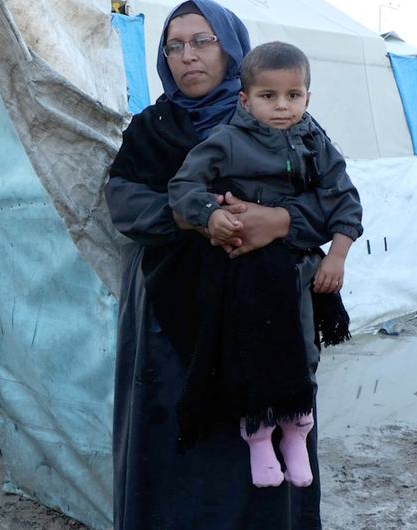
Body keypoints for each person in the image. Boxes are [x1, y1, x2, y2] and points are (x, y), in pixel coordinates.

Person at [105, 2, 331, 527]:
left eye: (202, 41)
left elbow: (332, 200)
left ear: (232, 49)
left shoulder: (278, 116)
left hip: (263, 317)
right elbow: (122, 200)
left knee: (259, 449)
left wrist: (276, 221)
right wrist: (194, 217)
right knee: (175, 446)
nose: (188, 56)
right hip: (168, 322)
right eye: (175, 45)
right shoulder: (152, 127)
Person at [167, 41, 362, 489]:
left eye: (293, 95)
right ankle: (258, 440)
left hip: (300, 270)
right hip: (247, 274)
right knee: (251, 353)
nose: (282, 107)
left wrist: (337, 256)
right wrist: (210, 216)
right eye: (268, 96)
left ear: (308, 97)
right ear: (245, 100)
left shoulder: (314, 141)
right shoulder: (227, 141)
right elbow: (183, 188)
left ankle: (296, 435)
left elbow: (344, 199)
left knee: (303, 353)